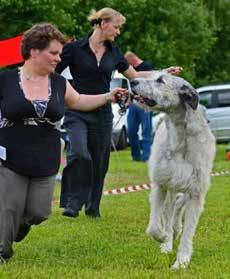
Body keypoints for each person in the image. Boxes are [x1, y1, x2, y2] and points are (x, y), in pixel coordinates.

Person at [0, 22, 127, 263]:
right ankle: (2, 250)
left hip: (45, 157)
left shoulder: (58, 83)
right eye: (54, 53)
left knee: (39, 212)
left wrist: (108, 96)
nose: (59, 59)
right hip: (10, 156)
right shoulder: (5, 80)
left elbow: (78, 101)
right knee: (9, 207)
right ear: (34, 51)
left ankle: (18, 228)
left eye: (60, 53)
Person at [56, 7, 182, 219]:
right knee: (79, 153)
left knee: (100, 161)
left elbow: (135, 74)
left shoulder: (114, 52)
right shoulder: (74, 49)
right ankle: (73, 201)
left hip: (103, 113)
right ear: (103, 24)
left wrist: (162, 73)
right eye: (116, 26)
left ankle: (92, 207)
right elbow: (53, 73)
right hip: (76, 110)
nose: (118, 31)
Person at [125, 51, 154, 162]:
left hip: (145, 104)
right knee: (131, 131)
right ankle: (136, 156)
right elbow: (131, 88)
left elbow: (152, 86)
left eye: (128, 65)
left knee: (146, 131)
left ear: (132, 61)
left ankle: (146, 157)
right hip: (134, 103)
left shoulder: (147, 67)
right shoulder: (131, 72)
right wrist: (128, 101)